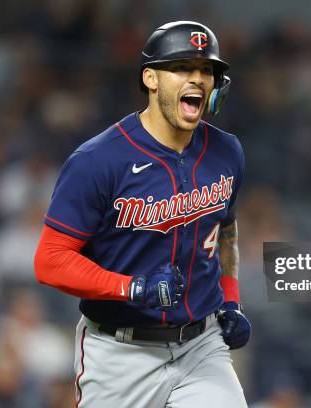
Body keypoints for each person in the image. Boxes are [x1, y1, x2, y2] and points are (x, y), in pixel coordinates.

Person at [34, 21, 250, 407]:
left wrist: (231, 301)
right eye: (182, 67)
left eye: (206, 70)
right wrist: (131, 287)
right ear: (150, 78)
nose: (198, 79)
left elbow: (226, 232)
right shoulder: (98, 160)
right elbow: (50, 261)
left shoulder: (227, 151)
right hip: (120, 353)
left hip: (202, 346)